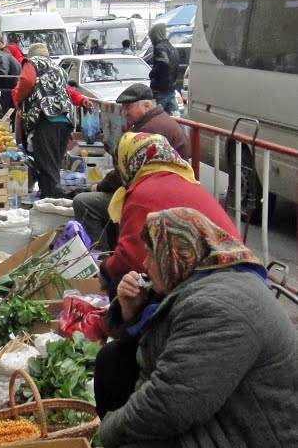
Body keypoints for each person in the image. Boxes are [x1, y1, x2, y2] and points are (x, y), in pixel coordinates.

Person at [95, 208, 298, 448]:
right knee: (114, 360)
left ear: (180, 255)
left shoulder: (218, 307)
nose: (143, 262)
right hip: (228, 420)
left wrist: (109, 440)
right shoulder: (205, 279)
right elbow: (158, 354)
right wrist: (130, 311)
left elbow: (170, 401)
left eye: (152, 254)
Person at [98, 131, 239, 293]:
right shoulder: (180, 179)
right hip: (232, 271)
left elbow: (133, 257)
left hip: (212, 281)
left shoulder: (143, 192)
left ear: (129, 161)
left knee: (122, 286)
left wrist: (105, 270)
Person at [73, 83, 190, 243]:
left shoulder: (147, 131)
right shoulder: (161, 121)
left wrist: (99, 186)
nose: (124, 112)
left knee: (83, 202)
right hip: (164, 190)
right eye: (123, 107)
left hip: (155, 196)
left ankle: (99, 256)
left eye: (128, 107)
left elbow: (124, 173)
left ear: (147, 106)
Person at [19, 42, 74, 198]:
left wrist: (20, 99)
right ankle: (48, 196)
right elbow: (67, 92)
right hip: (65, 120)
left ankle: (53, 201)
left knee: (46, 165)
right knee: (54, 163)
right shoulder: (59, 69)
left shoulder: (33, 63)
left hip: (46, 118)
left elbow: (27, 81)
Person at [147, 20, 180, 114]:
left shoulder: (159, 47)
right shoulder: (171, 47)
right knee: (174, 117)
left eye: (151, 37)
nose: (151, 40)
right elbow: (176, 64)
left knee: (155, 116)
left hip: (160, 89)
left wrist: (152, 74)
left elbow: (164, 62)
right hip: (171, 88)